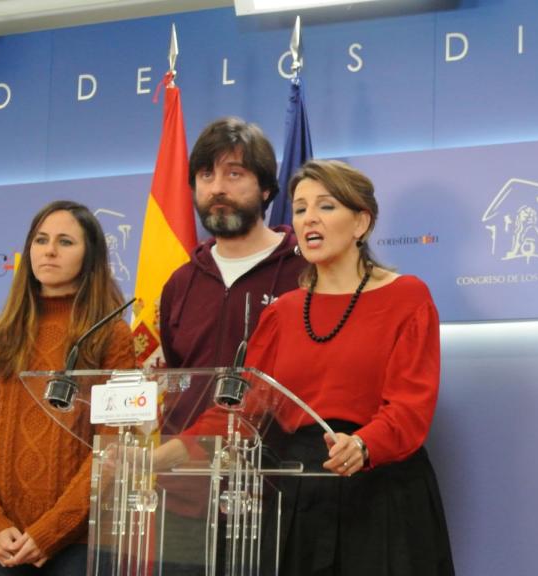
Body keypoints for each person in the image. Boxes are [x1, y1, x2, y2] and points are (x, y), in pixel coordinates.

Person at [179, 158, 455, 575]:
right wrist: (163, 452)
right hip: (300, 490)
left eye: (325, 206)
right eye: (301, 207)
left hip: (381, 491)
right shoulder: (283, 312)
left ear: (361, 222)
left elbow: (410, 406)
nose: (309, 218)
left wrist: (363, 445)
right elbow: (244, 409)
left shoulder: (408, 298)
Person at [0, 200, 136, 575]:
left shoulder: (112, 335)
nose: (49, 250)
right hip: (0, 544)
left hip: (75, 545)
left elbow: (114, 444)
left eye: (65, 241)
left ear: (90, 256)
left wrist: (52, 531)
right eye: (40, 239)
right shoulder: (0, 332)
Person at [158, 116, 305, 431]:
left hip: (275, 469)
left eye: (234, 173)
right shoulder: (180, 283)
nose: (217, 189)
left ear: (266, 188)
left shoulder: (306, 271)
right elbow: (175, 374)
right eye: (206, 174)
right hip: (185, 470)